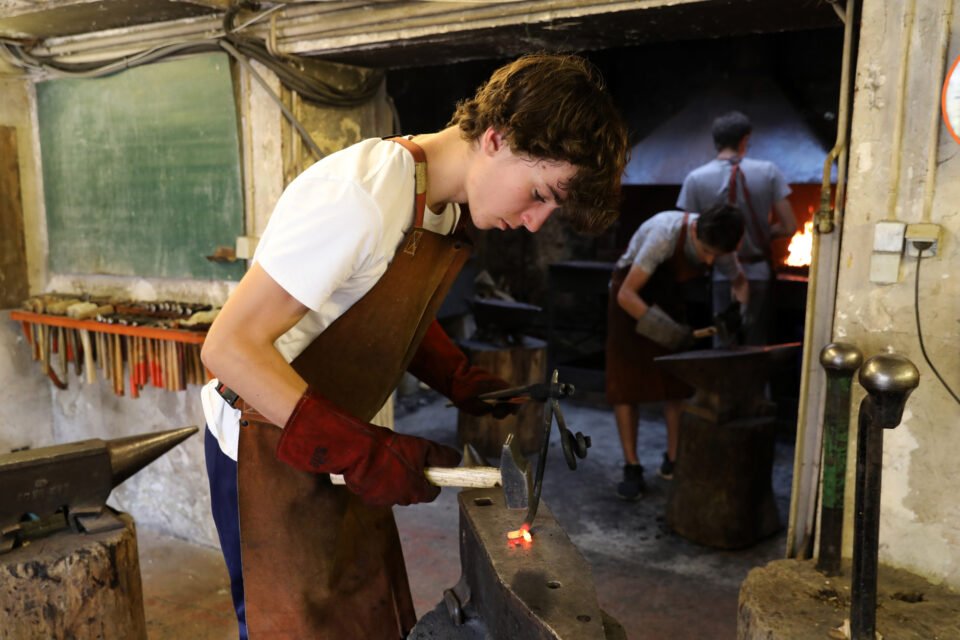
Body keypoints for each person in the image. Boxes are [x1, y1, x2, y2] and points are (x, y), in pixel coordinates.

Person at [200, 53, 629, 639]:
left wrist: (457, 377)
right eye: (538, 193)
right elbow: (229, 347)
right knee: (292, 626)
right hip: (262, 437)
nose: (534, 222)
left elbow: (374, 305)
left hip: (334, 433)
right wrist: (364, 451)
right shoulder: (361, 196)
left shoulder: (441, 205)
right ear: (498, 139)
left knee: (359, 612)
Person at [606, 203, 747, 500]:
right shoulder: (664, 235)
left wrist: (738, 310)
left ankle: (674, 460)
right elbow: (626, 294)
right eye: (705, 251)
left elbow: (740, 282)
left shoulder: (721, 241)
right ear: (695, 230)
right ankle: (632, 467)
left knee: (677, 385)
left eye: (715, 256)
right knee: (626, 386)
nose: (709, 261)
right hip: (629, 298)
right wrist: (668, 331)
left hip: (667, 296)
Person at [676, 111, 796, 345]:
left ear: (716, 141)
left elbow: (687, 232)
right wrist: (760, 233)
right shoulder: (769, 172)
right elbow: (790, 226)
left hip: (721, 272)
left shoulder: (695, 179)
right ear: (745, 139)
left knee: (723, 339)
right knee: (757, 344)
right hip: (758, 270)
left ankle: (722, 381)